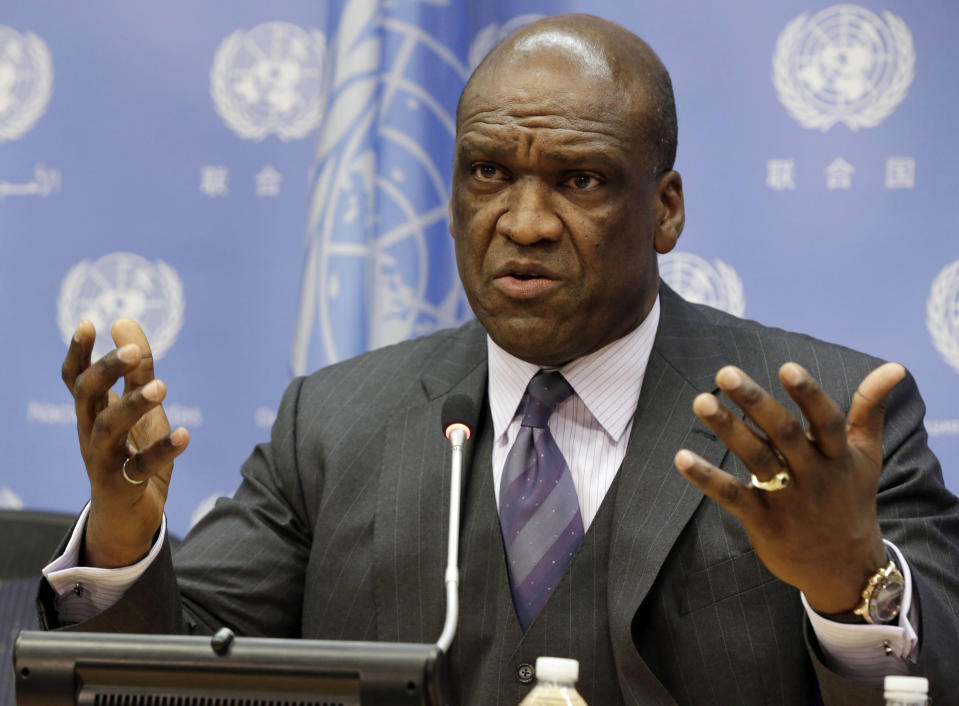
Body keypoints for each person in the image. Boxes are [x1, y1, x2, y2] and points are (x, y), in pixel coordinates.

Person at [41, 14, 959, 706]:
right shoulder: (332, 421)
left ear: (666, 209)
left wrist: (850, 588)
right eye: (488, 173)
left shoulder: (822, 424)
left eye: (580, 180)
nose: (521, 224)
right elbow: (180, 675)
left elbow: (941, 671)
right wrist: (124, 538)